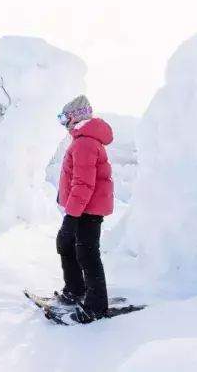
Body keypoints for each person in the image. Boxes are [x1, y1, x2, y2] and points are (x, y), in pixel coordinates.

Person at [54, 95, 116, 323]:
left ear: (75, 118)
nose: (63, 123)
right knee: (69, 245)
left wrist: (71, 215)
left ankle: (96, 305)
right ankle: (75, 290)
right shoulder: (83, 140)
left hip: (87, 209)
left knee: (87, 252)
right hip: (84, 207)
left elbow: (84, 184)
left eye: (64, 118)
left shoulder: (84, 143)